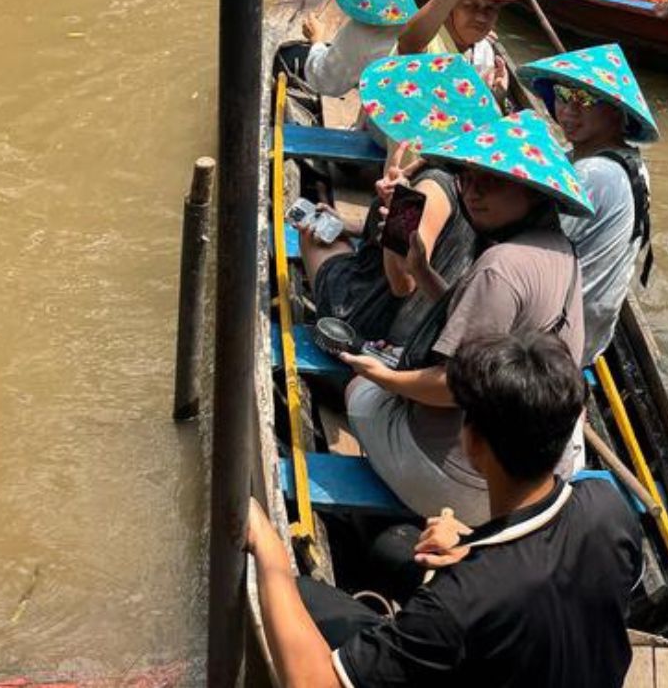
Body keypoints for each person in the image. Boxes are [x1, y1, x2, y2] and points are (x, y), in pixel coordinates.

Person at [246, 331, 643, 688]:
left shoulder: (457, 603)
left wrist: (270, 554)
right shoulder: (607, 506)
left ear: (472, 443)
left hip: (467, 620)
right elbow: (547, 576)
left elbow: (315, 684)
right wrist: (475, 544)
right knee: (393, 546)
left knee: (300, 594)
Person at [339, 110, 593, 524]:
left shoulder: (498, 265)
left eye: (491, 181)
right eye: (468, 179)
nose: (474, 192)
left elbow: (453, 388)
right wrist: (421, 267)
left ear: (531, 192)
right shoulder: (560, 248)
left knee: (358, 390)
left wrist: (378, 377)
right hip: (541, 471)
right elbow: (466, 316)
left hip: (474, 486)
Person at [296, 53, 500, 347]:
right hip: (426, 319)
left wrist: (397, 211)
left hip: (375, 321)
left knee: (311, 237)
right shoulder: (469, 176)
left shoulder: (430, 185)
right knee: (331, 230)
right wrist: (352, 226)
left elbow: (404, 283)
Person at [520, 44, 658, 362]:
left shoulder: (593, 173)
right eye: (562, 96)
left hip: (557, 338)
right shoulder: (627, 160)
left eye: (583, 100)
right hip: (591, 327)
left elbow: (529, 249)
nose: (568, 112)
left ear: (615, 110)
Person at [297, 0, 450, 98]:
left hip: (385, 118)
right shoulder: (452, 21)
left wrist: (317, 41)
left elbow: (326, 81)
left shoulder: (361, 32)